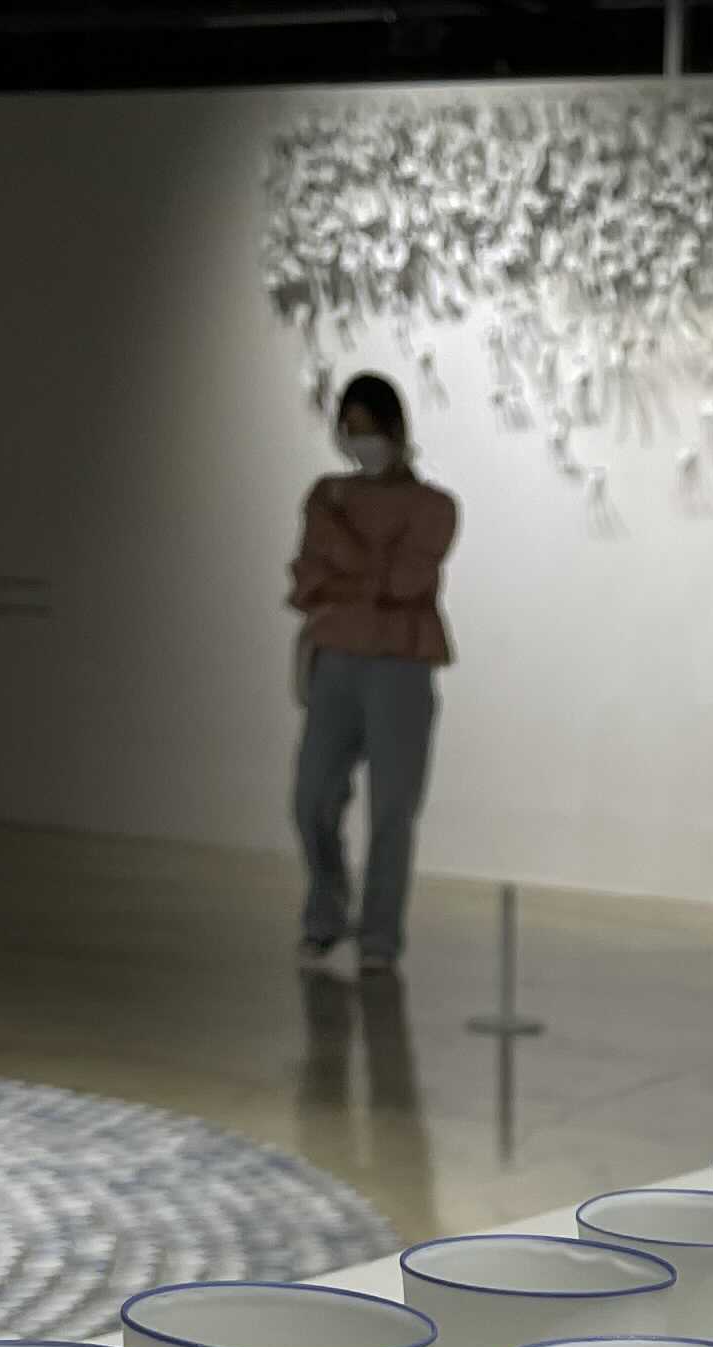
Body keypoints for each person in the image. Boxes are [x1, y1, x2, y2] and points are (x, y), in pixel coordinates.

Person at [287, 374, 457, 978]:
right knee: (311, 797)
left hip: (401, 666)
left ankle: (380, 935)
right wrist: (366, 573)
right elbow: (307, 577)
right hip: (335, 659)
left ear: (394, 428)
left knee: (392, 808)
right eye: (349, 429)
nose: (358, 441)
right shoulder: (325, 495)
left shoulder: (433, 507)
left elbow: (407, 580)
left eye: (368, 428)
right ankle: (328, 910)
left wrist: (345, 560)